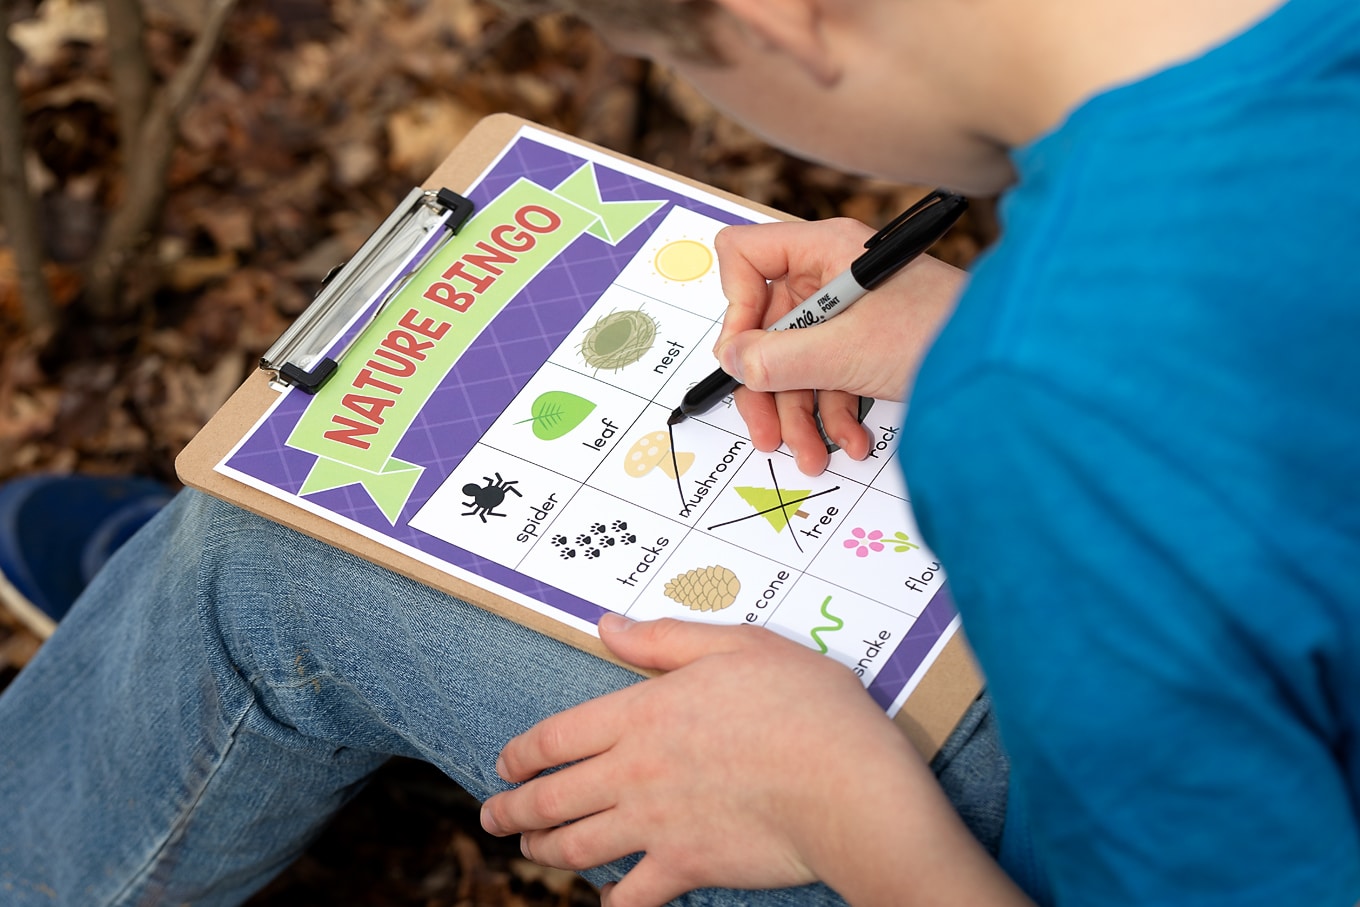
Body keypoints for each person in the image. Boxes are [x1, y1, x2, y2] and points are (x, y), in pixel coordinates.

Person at [1, 0, 1357, 903]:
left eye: (689, 59)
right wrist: (986, 330)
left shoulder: (1048, 406)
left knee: (264, 559)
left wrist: (834, 803)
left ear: (775, 13)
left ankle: (215, 656)